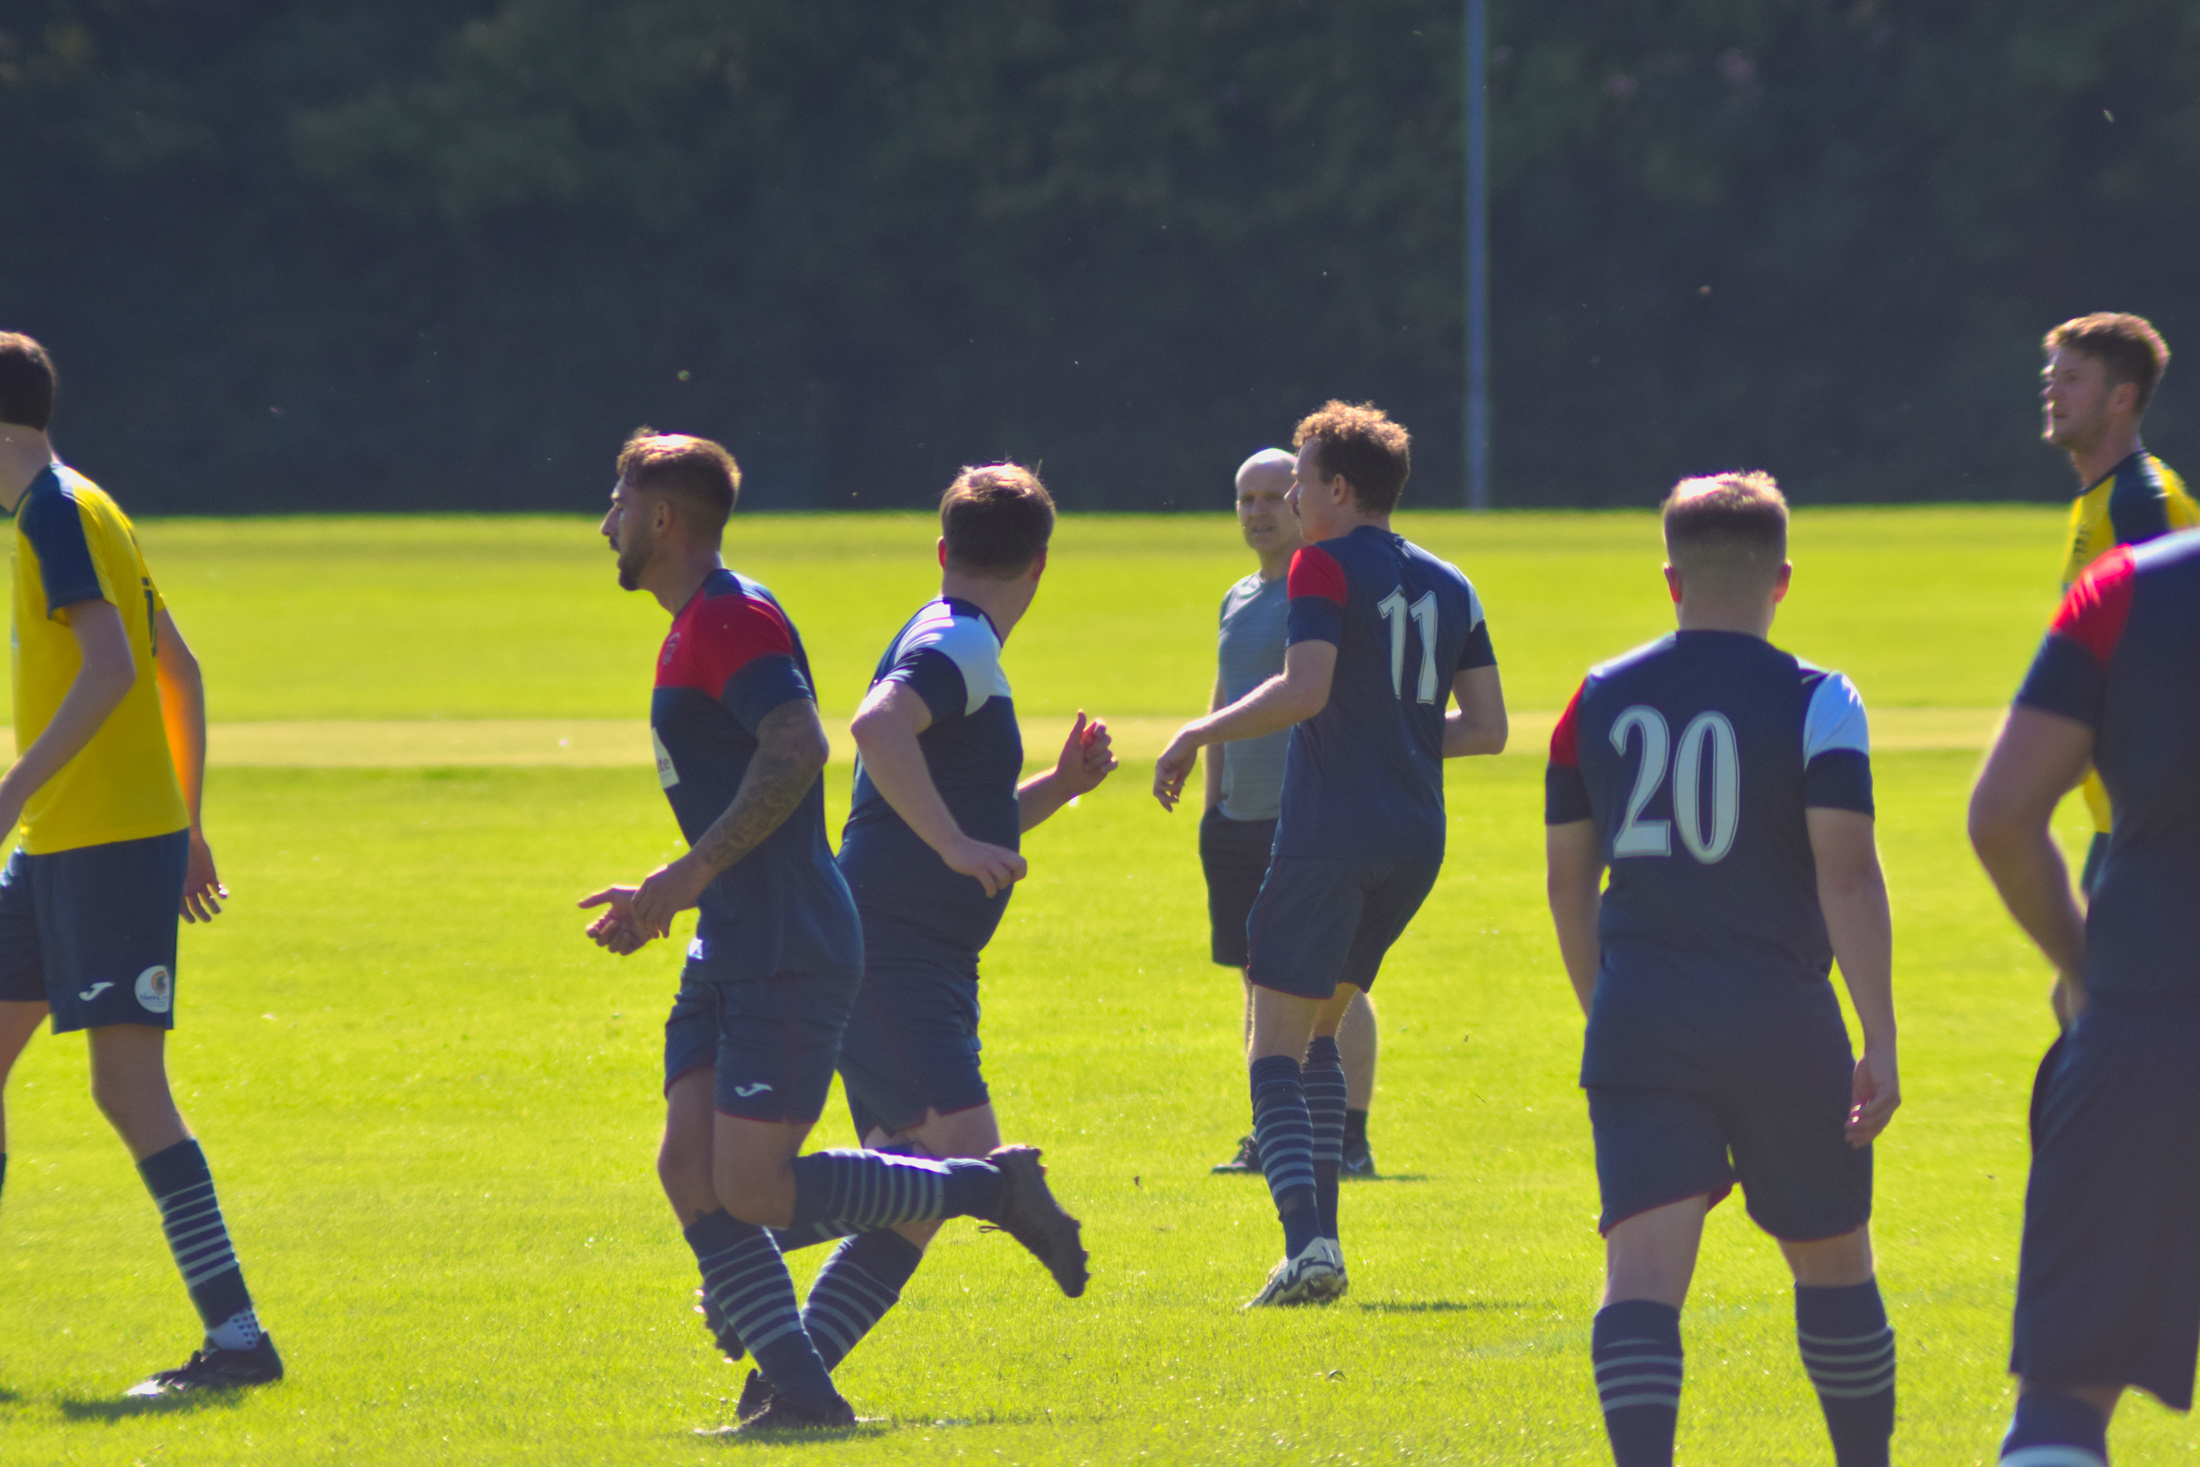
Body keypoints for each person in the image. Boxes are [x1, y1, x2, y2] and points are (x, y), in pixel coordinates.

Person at [579, 432, 1087, 1434]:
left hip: (784, 937)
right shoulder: (696, 626)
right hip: (735, 932)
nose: (608, 523)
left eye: (620, 504)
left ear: (665, 519)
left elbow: (803, 745)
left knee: (757, 1187)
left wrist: (684, 875)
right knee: (691, 1172)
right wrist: (670, 895)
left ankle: (976, 1191)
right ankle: (800, 1397)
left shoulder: (734, 617)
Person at [1544, 473, 1899, 1467]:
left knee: (1642, 1274)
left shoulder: (1594, 698)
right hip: (1782, 1017)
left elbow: (1565, 885)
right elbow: (1849, 875)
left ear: (1670, 580)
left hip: (1643, 1013)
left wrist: (1604, 1006)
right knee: (1833, 1262)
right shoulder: (1819, 699)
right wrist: (1879, 1037)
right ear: (1782, 580)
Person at [1153, 400, 1506, 1307]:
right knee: (1317, 1035)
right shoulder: (1451, 580)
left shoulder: (1319, 564)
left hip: (1329, 834)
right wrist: (1397, 737)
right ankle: (1319, 1245)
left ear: (1339, 489)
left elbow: (1303, 689)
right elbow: (1490, 729)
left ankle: (1309, 1247)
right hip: (1414, 838)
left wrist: (1198, 730)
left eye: (1302, 480)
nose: (1293, 496)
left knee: (1272, 1045)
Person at [0, 332, 280, 1395]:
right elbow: (183, 667)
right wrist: (192, 820)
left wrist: (13, 790)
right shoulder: (85, 501)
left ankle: (240, 1341)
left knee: (127, 1089)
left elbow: (121, 665)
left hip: (103, 843)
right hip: (71, 843)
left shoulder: (56, 516)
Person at [1969, 531, 2200, 1466]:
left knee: (2062, 1406)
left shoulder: (2126, 589)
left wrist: (2090, 968)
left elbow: (2003, 814)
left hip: (2151, 1005)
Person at [1202, 449, 1380, 1179]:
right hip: (1239, 816)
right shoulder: (1239, 596)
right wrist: (1213, 799)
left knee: (1338, 982)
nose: (1260, 510)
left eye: (1276, 494)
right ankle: (1272, 1134)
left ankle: (1347, 1137)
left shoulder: (1324, 588)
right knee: (1258, 977)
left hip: (1307, 817)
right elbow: (1224, 696)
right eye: (1246, 498)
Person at [2039, 312, 2198, 893]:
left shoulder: (2138, 503)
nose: (2052, 390)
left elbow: (2169, 649)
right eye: (2050, 375)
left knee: (2099, 982)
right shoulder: (2104, 498)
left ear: (2121, 397)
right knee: (2081, 984)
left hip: (2158, 816)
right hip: (2129, 812)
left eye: (2073, 378)